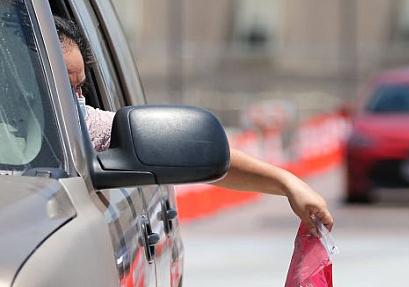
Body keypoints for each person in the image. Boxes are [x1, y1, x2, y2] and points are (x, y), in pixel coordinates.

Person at [54, 16, 333, 233]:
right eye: (66, 89)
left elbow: (193, 151)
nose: (78, 101)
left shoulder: (90, 128)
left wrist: (288, 184)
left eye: (81, 88)